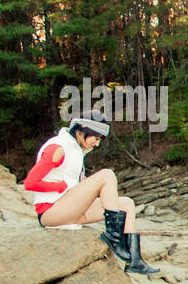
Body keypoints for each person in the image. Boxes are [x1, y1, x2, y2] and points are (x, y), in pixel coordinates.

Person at [22, 111, 159, 274]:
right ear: (82, 130)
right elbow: (30, 183)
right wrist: (60, 187)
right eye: (96, 138)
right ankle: (114, 238)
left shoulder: (75, 149)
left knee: (127, 204)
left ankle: (135, 260)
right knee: (107, 174)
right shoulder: (58, 148)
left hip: (70, 209)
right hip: (51, 212)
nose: (97, 144)